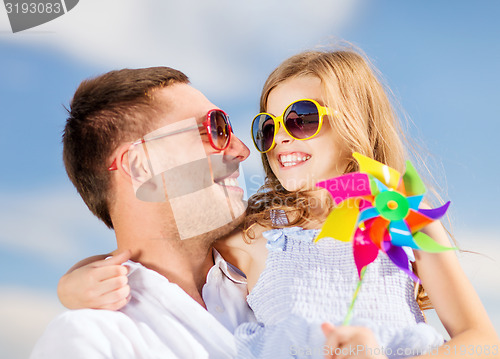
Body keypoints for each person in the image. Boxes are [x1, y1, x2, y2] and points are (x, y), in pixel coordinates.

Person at [57, 49, 499, 359]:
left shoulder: (406, 215)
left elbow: (482, 341)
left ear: (354, 124)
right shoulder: (255, 230)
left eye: (302, 119)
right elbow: (156, 248)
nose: (280, 137)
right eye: (268, 127)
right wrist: (74, 282)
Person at [30, 67, 256, 359]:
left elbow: (327, 193)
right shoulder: (92, 340)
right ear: (140, 164)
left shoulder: (277, 272)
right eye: (216, 128)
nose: (241, 149)